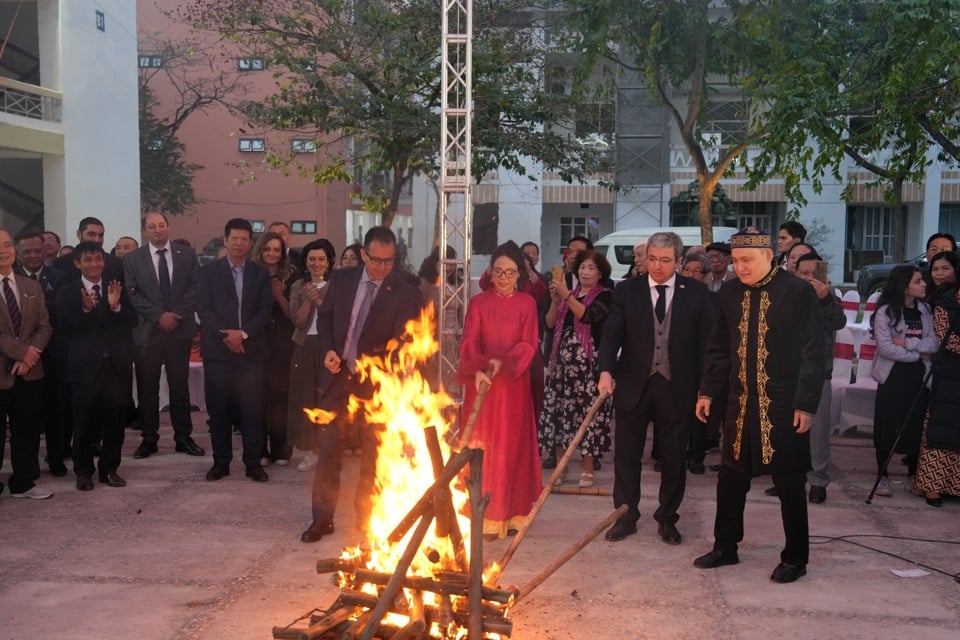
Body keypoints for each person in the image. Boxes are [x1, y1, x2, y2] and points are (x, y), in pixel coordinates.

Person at [694, 227, 825, 584]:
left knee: (789, 481)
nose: (741, 268)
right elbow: (718, 348)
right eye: (736, 261)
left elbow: (814, 352)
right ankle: (726, 546)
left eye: (747, 260)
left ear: (769, 256)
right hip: (740, 401)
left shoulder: (797, 292)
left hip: (784, 403)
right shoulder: (730, 293)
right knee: (731, 476)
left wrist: (806, 404)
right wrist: (707, 392)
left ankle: (796, 558)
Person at [301, 226, 420, 543]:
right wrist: (328, 349)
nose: (382, 267)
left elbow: (406, 332)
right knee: (328, 452)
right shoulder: (343, 279)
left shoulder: (405, 291)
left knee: (373, 456)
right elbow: (325, 319)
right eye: (376, 260)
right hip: (338, 378)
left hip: (376, 386)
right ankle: (321, 520)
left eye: (389, 261)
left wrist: (398, 343)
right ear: (364, 254)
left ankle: (366, 520)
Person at [598, 232, 715, 545]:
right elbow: (612, 333)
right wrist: (606, 370)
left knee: (674, 456)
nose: (657, 266)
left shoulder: (696, 293)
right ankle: (625, 516)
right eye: (652, 259)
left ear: (678, 261)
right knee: (626, 454)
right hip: (634, 383)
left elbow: (708, 345)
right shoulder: (627, 290)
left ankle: (667, 518)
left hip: (677, 386)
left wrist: (705, 389)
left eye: (665, 260)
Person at [458, 241, 541, 539]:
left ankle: (513, 513)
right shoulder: (479, 303)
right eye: (498, 271)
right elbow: (469, 341)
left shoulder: (527, 304)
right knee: (483, 446)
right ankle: (483, 513)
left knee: (511, 447)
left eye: (510, 272)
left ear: (519, 274)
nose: (504, 277)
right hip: (483, 386)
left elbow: (530, 342)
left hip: (513, 386)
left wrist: (505, 363)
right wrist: (478, 367)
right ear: (490, 273)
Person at [197, 218, 274, 484]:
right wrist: (228, 336)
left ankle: (253, 463)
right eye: (235, 238)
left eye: (244, 239)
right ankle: (221, 462)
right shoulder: (208, 272)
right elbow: (204, 310)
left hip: (251, 352)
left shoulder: (260, 273)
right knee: (219, 411)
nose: (239, 243)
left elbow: (265, 310)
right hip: (218, 353)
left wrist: (242, 335)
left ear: (250, 243)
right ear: (226, 239)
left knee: (252, 410)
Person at [56, 242, 138, 491]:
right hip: (85, 369)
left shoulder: (115, 287)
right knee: (83, 422)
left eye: (98, 259)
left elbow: (132, 320)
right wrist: (84, 310)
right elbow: (66, 328)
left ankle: (109, 469)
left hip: (115, 367)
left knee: (114, 421)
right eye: (88, 260)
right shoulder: (68, 291)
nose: (94, 264)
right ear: (77, 263)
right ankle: (83, 472)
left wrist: (116, 306)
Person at [125, 213, 204, 460]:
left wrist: (175, 315)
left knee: (179, 385)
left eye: (161, 225)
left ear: (168, 227)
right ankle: (149, 438)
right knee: (148, 387)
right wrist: (159, 316)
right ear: (144, 231)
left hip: (179, 331)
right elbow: (132, 292)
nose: (157, 230)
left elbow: (195, 288)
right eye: (152, 226)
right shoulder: (132, 258)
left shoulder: (187, 254)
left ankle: (183, 437)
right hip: (148, 332)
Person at [539, 249, 614, 488]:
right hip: (560, 367)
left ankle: (588, 469)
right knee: (559, 414)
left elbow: (588, 316)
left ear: (600, 273)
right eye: (582, 267)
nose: (585, 271)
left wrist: (567, 298)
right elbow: (550, 323)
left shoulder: (605, 295)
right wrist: (555, 300)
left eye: (591, 268)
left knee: (587, 417)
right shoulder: (566, 294)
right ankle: (561, 467)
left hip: (588, 369)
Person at [868, 266, 937, 497]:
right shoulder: (886, 312)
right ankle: (883, 475)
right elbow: (886, 348)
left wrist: (906, 344)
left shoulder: (924, 310)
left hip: (918, 376)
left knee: (916, 424)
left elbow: (932, 344)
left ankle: (912, 474)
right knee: (887, 424)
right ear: (905, 285)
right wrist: (917, 353)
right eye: (918, 281)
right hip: (893, 376)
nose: (924, 284)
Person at [789, 252, 847, 504]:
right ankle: (789, 477)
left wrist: (824, 299)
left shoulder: (829, 298)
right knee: (787, 430)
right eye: (804, 273)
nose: (809, 279)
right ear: (795, 273)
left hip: (818, 372)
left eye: (815, 274)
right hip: (787, 372)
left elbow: (838, 322)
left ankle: (818, 480)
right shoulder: (785, 296)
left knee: (818, 430)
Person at [0, 229, 54, 499]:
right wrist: (24, 353)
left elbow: (44, 325)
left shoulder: (31, 286)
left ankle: (23, 483)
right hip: (3, 372)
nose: (3, 250)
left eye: (7, 245)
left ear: (14, 250)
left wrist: (32, 355)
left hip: (30, 373)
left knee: (27, 430)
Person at [14, 231, 68, 475]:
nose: (34, 256)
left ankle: (56, 458)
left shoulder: (61, 277)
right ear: (18, 253)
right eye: (27, 252)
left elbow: (63, 312)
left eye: (38, 250)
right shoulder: (10, 279)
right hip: (21, 357)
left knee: (57, 410)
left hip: (54, 355)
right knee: (27, 415)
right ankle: (29, 465)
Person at [287, 239, 336, 472]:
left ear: (329, 262)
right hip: (304, 345)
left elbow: (335, 317)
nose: (316, 263)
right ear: (305, 262)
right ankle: (309, 451)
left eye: (321, 259)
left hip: (328, 347)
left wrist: (319, 298)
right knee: (305, 398)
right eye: (312, 259)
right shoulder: (298, 286)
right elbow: (297, 320)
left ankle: (327, 450)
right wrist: (307, 299)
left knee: (327, 398)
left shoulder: (337, 285)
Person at [252, 230, 299, 465]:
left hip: (282, 342)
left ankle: (281, 450)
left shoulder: (292, 277)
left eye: (276, 250)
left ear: (282, 253)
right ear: (260, 250)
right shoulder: (250, 274)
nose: (271, 253)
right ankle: (259, 450)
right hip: (257, 340)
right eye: (267, 249)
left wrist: (279, 296)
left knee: (281, 397)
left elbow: (296, 316)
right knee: (258, 397)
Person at [916, 264, 960, 507]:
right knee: (942, 428)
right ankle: (934, 486)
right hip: (949, 372)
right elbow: (945, 336)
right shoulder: (946, 301)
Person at [53, 217, 124, 284]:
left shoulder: (116, 264)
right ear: (79, 234)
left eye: (100, 235)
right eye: (91, 234)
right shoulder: (61, 264)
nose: (97, 240)